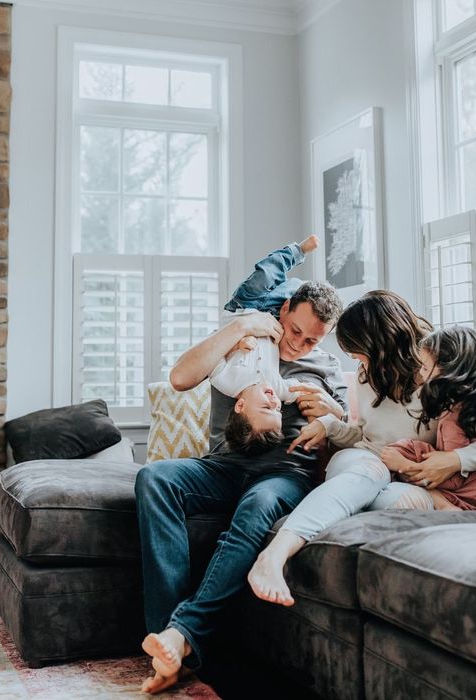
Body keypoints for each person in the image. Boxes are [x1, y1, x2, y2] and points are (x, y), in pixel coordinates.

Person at [135, 241, 347, 694]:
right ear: (284, 309)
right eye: (295, 331)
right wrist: (242, 325)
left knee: (258, 504)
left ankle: (181, 636)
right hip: (223, 466)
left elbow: (352, 434)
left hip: (285, 475)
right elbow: (180, 378)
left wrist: (333, 413)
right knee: (154, 478)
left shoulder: (326, 367)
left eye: (312, 340)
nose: (299, 344)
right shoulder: (247, 342)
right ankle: (167, 639)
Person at [247, 290, 476, 607]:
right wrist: (330, 425)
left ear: (380, 343)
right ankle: (275, 554)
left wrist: (455, 460)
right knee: (371, 471)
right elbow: (364, 437)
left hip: (405, 481)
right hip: (364, 462)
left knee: (394, 499)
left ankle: (313, 525)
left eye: (358, 351)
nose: (355, 360)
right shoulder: (366, 374)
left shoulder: (439, 368)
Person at [208, 236, 321, 452]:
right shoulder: (277, 388)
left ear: (240, 406)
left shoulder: (227, 382)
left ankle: (298, 251)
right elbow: (302, 391)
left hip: (244, 306)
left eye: (265, 408)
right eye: (277, 411)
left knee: (267, 273)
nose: (274, 403)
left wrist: (236, 344)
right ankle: (305, 288)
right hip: (272, 315)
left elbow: (214, 350)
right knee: (298, 291)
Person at [379, 325, 476, 512]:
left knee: (404, 460)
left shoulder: (453, 418)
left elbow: (453, 479)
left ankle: (443, 506)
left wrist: (403, 465)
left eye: (424, 367)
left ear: (448, 370)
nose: (421, 375)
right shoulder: (474, 404)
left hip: (472, 499)